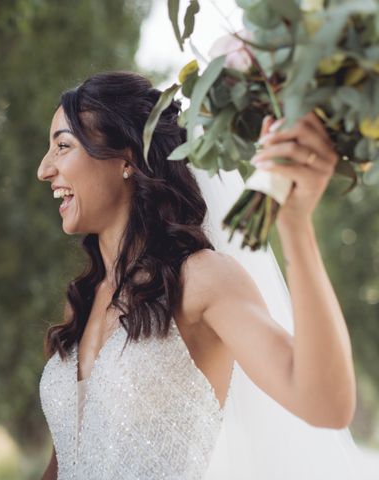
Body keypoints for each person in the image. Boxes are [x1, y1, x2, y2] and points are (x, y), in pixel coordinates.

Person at [37, 71, 358, 479]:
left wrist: (295, 226)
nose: (44, 169)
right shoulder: (83, 299)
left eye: (62, 146)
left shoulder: (202, 279)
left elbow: (326, 403)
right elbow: (67, 462)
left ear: (127, 158)